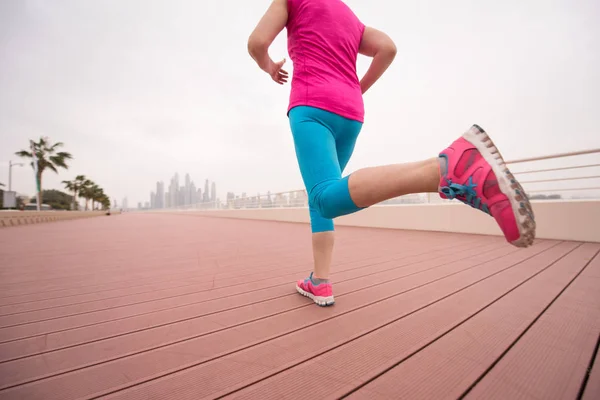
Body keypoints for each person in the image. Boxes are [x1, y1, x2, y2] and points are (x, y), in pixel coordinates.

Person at [247, 0, 535, 307]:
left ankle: (447, 168)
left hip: (312, 104)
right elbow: (388, 47)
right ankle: (320, 281)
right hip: (350, 113)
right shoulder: (349, 16)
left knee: (323, 197)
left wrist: (269, 67)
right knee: (325, 195)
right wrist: (357, 88)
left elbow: (257, 42)